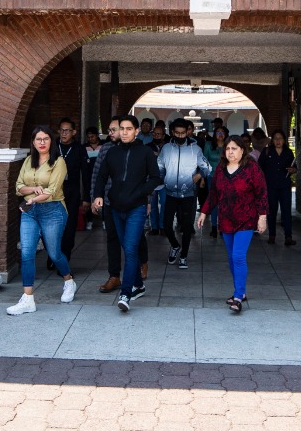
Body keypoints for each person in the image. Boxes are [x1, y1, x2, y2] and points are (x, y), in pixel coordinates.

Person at [8, 125, 77, 314]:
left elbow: (52, 191)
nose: (42, 142)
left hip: (53, 210)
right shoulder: (28, 160)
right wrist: (33, 190)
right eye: (38, 139)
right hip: (30, 212)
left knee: (54, 253)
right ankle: (28, 299)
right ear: (33, 142)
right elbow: (18, 187)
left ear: (51, 141)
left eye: (46, 138)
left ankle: (68, 281)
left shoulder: (59, 162)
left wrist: (31, 199)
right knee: (26, 253)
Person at [93, 115, 158, 312]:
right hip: (115, 208)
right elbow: (101, 176)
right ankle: (138, 285)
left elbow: (155, 178)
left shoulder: (145, 152)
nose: (124, 132)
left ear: (136, 131)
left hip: (136, 208)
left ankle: (126, 293)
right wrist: (98, 196)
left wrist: (140, 193)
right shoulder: (112, 152)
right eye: (122, 128)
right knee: (126, 247)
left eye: (129, 129)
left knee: (130, 248)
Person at [198, 136, 268, 313]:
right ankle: (241, 291)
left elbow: (261, 193)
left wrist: (262, 217)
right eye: (228, 149)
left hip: (246, 219)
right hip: (226, 219)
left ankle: (238, 296)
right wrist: (204, 212)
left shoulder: (252, 168)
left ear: (242, 150)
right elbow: (213, 194)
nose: (230, 152)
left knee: (238, 256)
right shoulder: (221, 169)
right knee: (231, 258)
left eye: (234, 148)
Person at [158, 118, 211, 268]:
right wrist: (160, 179)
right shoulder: (166, 148)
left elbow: (207, 167)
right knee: (166, 225)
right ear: (172, 132)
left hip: (188, 194)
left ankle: (183, 256)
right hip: (170, 193)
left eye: (183, 133)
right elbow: (160, 165)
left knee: (187, 226)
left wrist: (200, 174)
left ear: (187, 132)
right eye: (177, 133)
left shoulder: (196, 149)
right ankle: (175, 246)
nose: (180, 136)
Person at [91, 120, 126, 291]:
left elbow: (147, 178)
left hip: (131, 203)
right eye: (109, 129)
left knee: (133, 239)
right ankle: (114, 276)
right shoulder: (106, 149)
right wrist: (94, 197)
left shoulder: (138, 149)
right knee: (112, 238)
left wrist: (148, 201)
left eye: (113, 130)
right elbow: (97, 174)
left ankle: (141, 265)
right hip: (109, 201)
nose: (110, 133)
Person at [258, 131, 297, 246]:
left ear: (284, 140)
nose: (278, 141)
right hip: (270, 186)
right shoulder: (266, 151)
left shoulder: (288, 152)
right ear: (272, 140)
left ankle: (288, 237)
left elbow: (295, 167)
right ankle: (272, 236)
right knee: (271, 211)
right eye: (276, 138)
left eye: (280, 138)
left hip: (285, 186)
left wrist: (293, 170)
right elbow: (259, 168)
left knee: (286, 212)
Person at [55, 119, 87, 263]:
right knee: (53, 226)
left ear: (74, 132)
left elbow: (85, 174)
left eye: (67, 130)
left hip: (72, 192)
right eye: (62, 130)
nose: (64, 133)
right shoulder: (53, 146)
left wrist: (86, 198)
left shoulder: (79, 149)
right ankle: (53, 255)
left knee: (69, 226)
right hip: (53, 192)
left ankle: (64, 260)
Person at [82, 128, 102, 230]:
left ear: (97, 135)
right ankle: (89, 220)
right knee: (88, 198)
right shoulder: (84, 147)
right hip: (88, 176)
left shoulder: (103, 145)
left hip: (101, 176)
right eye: (88, 137)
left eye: (92, 136)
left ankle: (104, 220)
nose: (90, 139)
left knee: (101, 197)